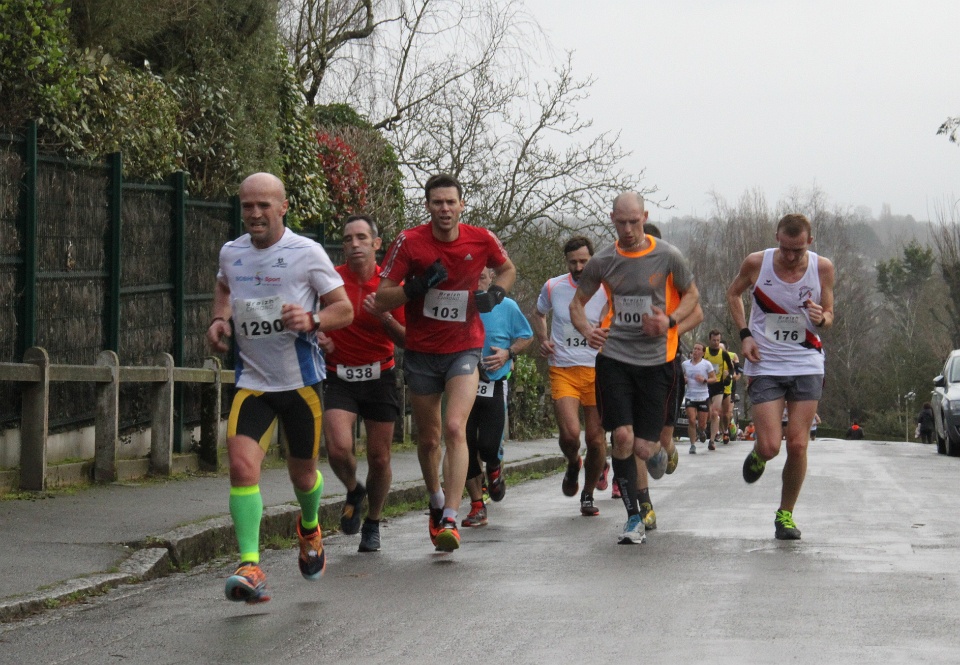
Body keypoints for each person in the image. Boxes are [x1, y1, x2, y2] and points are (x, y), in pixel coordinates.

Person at [207, 173, 354, 603]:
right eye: (247, 206)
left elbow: (344, 309)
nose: (254, 214)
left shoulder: (306, 253)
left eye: (263, 205)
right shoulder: (231, 252)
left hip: (300, 385)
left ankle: (309, 528)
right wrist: (219, 319)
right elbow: (223, 285)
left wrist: (312, 319)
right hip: (252, 383)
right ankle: (250, 565)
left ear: (283, 207)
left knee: (302, 475)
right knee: (241, 467)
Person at [374, 173, 516, 552]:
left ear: (461, 205)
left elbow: (508, 268)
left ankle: (451, 517)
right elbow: (381, 298)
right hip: (421, 352)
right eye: (437, 202)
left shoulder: (481, 238)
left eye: (451, 202)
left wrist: (496, 293)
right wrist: (416, 286)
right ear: (428, 206)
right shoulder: (409, 242)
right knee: (429, 438)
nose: (445, 209)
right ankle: (436, 500)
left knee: (455, 427)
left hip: (464, 349)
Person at [570, 191, 699, 544]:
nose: (627, 229)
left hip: (656, 362)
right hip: (614, 357)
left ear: (645, 216)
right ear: (612, 218)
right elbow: (577, 304)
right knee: (622, 437)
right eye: (621, 222)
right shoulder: (603, 260)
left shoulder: (668, 255)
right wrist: (588, 331)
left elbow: (693, 296)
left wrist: (669, 321)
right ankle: (633, 517)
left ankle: (660, 453)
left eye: (634, 221)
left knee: (644, 448)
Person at [727, 212, 835, 541]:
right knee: (772, 445)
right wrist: (745, 334)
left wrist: (822, 317)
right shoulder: (757, 263)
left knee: (799, 445)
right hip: (766, 363)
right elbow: (733, 294)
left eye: (797, 250)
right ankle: (759, 454)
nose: (789, 256)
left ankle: (785, 514)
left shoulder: (822, 268)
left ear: (810, 242)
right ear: (777, 238)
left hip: (806, 361)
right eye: (785, 248)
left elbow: (830, 314)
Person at [317, 214, 406, 554]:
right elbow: (312, 320)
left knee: (379, 459)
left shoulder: (390, 285)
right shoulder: (330, 280)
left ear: (376, 244)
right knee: (338, 449)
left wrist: (384, 317)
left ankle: (373, 523)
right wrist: (319, 337)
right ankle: (354, 489)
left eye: (361, 238)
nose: (354, 244)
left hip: (380, 376)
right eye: (347, 239)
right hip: (339, 375)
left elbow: (407, 339)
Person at [533, 236, 610, 517]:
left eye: (583, 261)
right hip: (563, 369)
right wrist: (543, 339)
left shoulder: (606, 289)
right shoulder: (554, 286)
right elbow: (539, 313)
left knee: (596, 440)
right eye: (573, 262)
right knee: (570, 436)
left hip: (597, 371)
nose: (578, 267)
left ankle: (588, 494)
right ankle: (573, 461)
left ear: (593, 260)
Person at [461, 268, 533, 527]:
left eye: (482, 277)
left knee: (488, 447)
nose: (477, 282)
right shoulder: (460, 305)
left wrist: (508, 353)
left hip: (493, 384)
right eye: (472, 277)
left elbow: (527, 336)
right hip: (462, 384)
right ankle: (477, 506)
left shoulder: (507, 306)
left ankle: (493, 467)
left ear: (492, 277)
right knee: (464, 446)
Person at [681, 342, 717, 455]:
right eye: (694, 349)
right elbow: (680, 377)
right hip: (690, 396)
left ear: (703, 353)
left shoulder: (707, 364)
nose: (695, 351)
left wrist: (704, 380)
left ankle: (701, 431)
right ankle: (692, 445)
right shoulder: (685, 364)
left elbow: (714, 378)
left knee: (702, 424)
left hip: (703, 396)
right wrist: (683, 380)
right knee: (691, 420)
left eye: (698, 349)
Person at [703, 330, 734, 449]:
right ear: (709, 340)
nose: (716, 342)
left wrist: (729, 377)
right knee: (707, 414)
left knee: (715, 412)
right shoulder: (704, 352)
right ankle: (702, 429)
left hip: (718, 387)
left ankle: (712, 440)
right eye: (714, 340)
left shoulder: (723, 354)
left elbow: (731, 369)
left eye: (718, 340)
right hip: (705, 386)